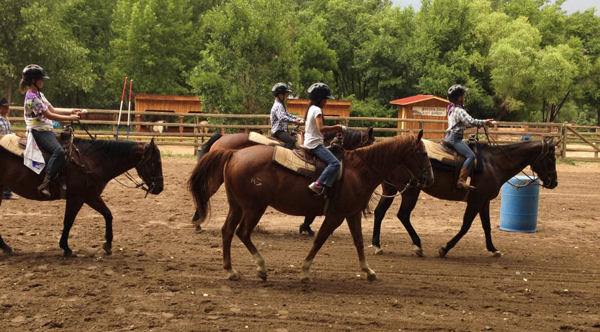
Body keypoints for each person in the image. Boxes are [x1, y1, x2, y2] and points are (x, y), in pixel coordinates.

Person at [20, 64, 81, 197]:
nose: (43, 81)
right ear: (33, 81)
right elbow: (50, 115)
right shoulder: (32, 98)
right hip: (38, 131)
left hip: (45, 130)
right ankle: (45, 183)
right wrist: (70, 117)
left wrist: (71, 110)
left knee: (67, 149)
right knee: (58, 151)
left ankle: (62, 177)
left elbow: (53, 109)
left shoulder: (39, 94)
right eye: (41, 79)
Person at [445, 84, 493, 190]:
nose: (465, 97)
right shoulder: (459, 110)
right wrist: (485, 122)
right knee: (471, 156)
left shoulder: (451, 109)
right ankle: (461, 180)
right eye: (463, 95)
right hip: (455, 139)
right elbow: (470, 122)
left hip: (450, 136)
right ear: (458, 97)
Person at [304, 83, 345, 195]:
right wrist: (337, 127)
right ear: (319, 99)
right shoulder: (317, 110)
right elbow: (321, 128)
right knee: (335, 163)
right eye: (325, 99)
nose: (326, 102)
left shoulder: (310, 108)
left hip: (309, 142)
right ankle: (319, 184)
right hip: (315, 145)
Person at [270, 82, 304, 150]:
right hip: (278, 131)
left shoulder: (281, 105)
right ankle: (283, 157)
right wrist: (295, 121)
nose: (287, 97)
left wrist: (299, 118)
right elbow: (282, 117)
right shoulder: (278, 105)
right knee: (290, 141)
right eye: (285, 95)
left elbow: (288, 115)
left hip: (283, 130)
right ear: (280, 95)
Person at [0, 97, 19, 199]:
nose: (7, 108)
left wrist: (15, 135)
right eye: (5, 106)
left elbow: (7, 133)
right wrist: (8, 137)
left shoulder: (7, 120)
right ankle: (6, 193)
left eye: (8, 106)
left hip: (6, 146)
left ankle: (7, 192)